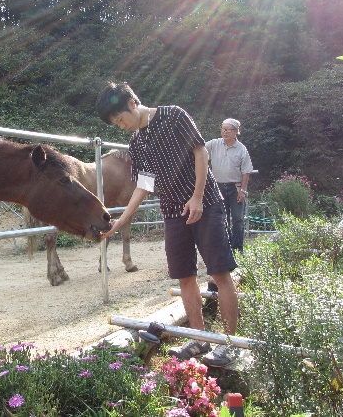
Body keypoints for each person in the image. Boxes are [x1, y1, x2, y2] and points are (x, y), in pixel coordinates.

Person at [96, 82, 239, 367]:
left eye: (121, 119)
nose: (121, 126)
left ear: (133, 104)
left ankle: (229, 343)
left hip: (206, 203)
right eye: (116, 124)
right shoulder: (137, 142)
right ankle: (198, 338)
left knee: (220, 273)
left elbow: (201, 152)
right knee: (184, 276)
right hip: (173, 212)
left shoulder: (174, 116)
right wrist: (120, 220)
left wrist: (197, 197)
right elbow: (145, 184)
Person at [205, 119, 254, 254]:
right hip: (218, 187)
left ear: (235, 132)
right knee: (221, 219)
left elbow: (246, 171)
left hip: (235, 188)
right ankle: (225, 248)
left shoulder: (241, 149)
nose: (225, 132)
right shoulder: (214, 144)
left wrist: (243, 191)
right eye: (223, 129)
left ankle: (238, 248)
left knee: (238, 218)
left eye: (228, 129)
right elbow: (199, 150)